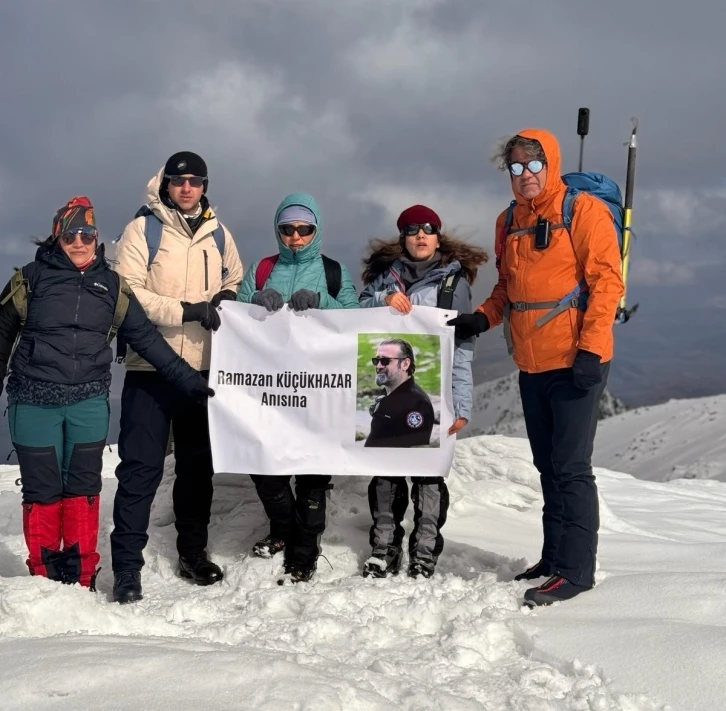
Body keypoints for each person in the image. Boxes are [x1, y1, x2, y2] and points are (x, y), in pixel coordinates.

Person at [0, 197, 213, 591]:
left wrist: (189, 381)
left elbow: (146, 339)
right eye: (70, 234)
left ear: (96, 238)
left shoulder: (111, 286)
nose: (79, 242)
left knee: (83, 488)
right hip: (33, 402)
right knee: (43, 490)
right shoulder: (29, 280)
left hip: (88, 404)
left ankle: (80, 577)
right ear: (56, 235)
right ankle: (45, 580)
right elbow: (0, 339)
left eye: (87, 234)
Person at [448, 129, 624, 605]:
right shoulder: (509, 221)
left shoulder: (581, 211)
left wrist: (590, 349)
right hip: (531, 362)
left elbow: (607, 283)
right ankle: (553, 557)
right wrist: (481, 317)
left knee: (571, 467)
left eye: (533, 165)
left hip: (575, 360)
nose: (525, 176)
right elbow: (507, 286)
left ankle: (576, 570)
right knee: (547, 466)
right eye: (516, 167)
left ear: (550, 164)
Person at [111, 151, 243, 603]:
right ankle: (127, 568)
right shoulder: (142, 229)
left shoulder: (218, 232)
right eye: (178, 180)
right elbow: (127, 293)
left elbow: (236, 278)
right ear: (165, 183)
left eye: (195, 180)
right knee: (140, 471)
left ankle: (193, 553)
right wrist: (186, 311)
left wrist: (226, 296)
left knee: (195, 470)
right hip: (150, 368)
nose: (187, 188)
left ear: (205, 186)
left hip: (203, 370)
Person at [359, 204, 488, 578]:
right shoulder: (386, 278)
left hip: (433, 393)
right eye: (413, 229)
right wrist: (382, 300)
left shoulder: (453, 283)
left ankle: (424, 552)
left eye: (428, 229)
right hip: (386, 396)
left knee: (428, 476)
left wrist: (461, 403)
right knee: (386, 473)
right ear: (403, 236)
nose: (420, 235)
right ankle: (383, 547)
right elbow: (355, 310)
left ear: (437, 236)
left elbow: (460, 347)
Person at [236, 192, 358, 583]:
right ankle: (282, 529)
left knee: (312, 474)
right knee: (265, 467)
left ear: (316, 230)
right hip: (269, 391)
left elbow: (356, 321)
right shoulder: (260, 268)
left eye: (304, 229)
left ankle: (304, 550)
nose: (295, 237)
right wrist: (254, 302)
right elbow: (235, 314)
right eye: (287, 229)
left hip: (319, 391)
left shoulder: (334, 272)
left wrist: (323, 300)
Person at [364, 338, 434, 448]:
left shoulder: (417, 404)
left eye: (385, 361)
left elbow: (419, 451)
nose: (378, 366)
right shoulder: (387, 391)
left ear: (405, 364)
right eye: (376, 360)